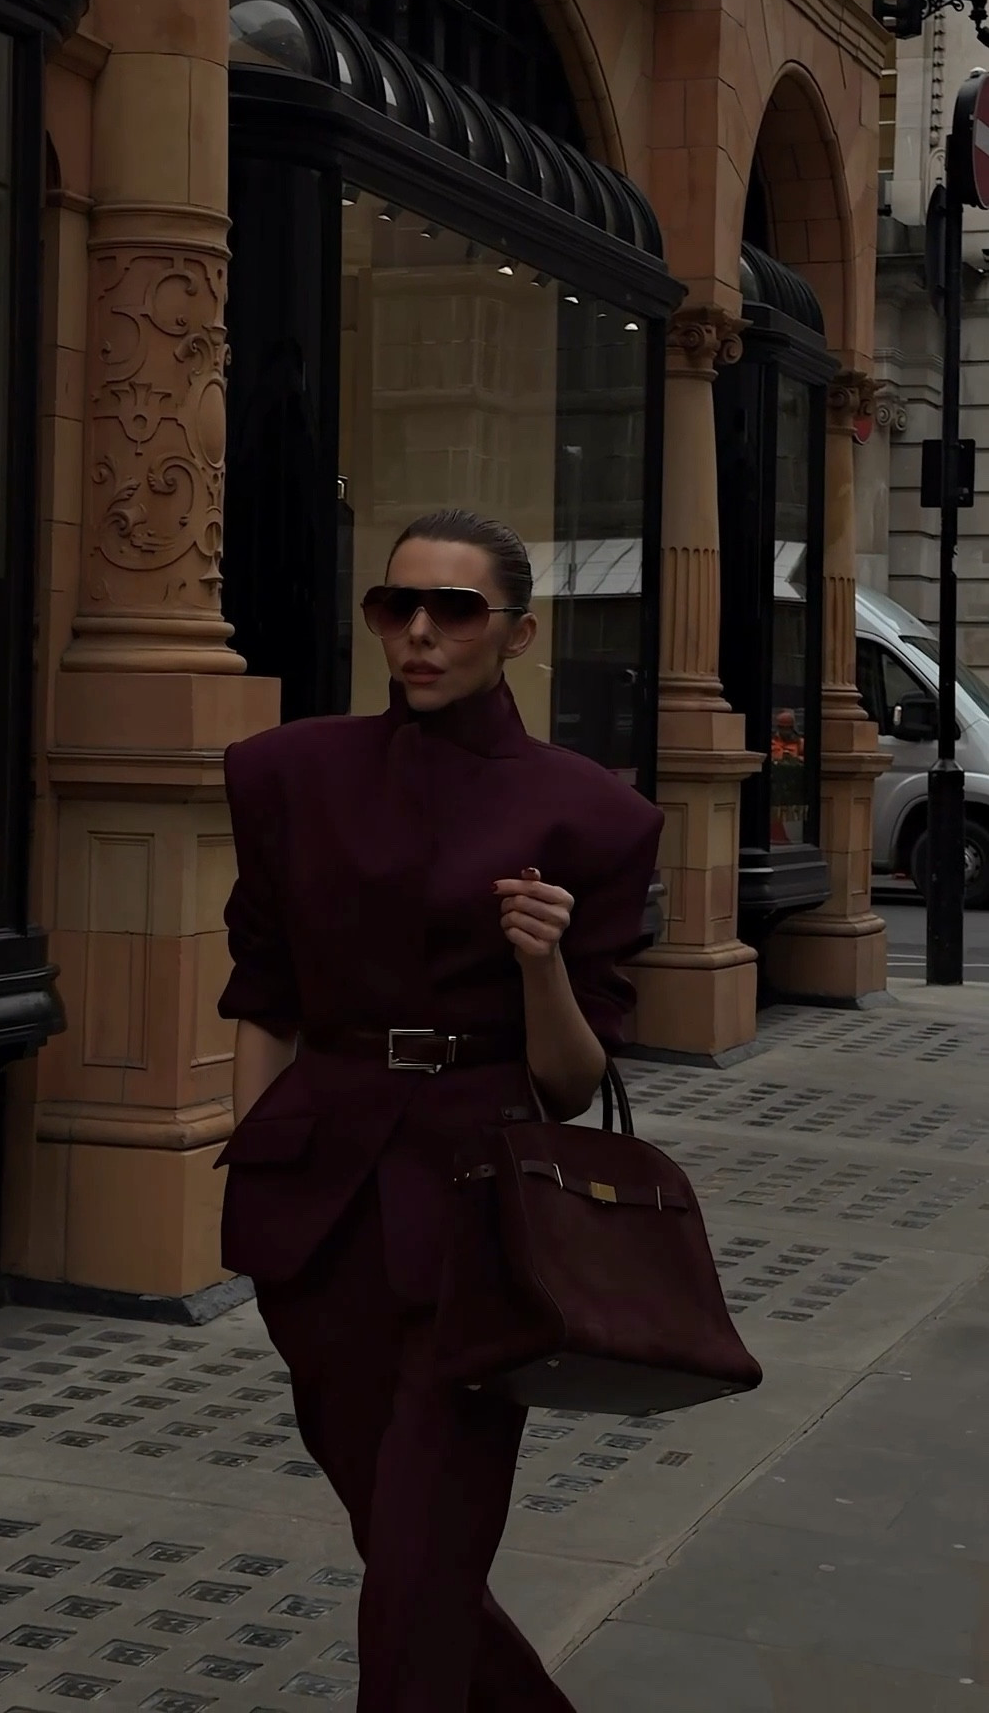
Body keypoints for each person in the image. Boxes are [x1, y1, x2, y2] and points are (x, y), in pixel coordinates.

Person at [216, 508, 663, 1713]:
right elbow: (261, 993)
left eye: (454, 610)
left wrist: (540, 965)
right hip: (315, 1205)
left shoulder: (596, 818)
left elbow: (574, 1080)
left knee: (424, 1549)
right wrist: (253, 1155)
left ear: (519, 633)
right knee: (400, 1538)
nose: (418, 632)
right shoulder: (284, 774)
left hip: (481, 1208)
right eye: (395, 605)